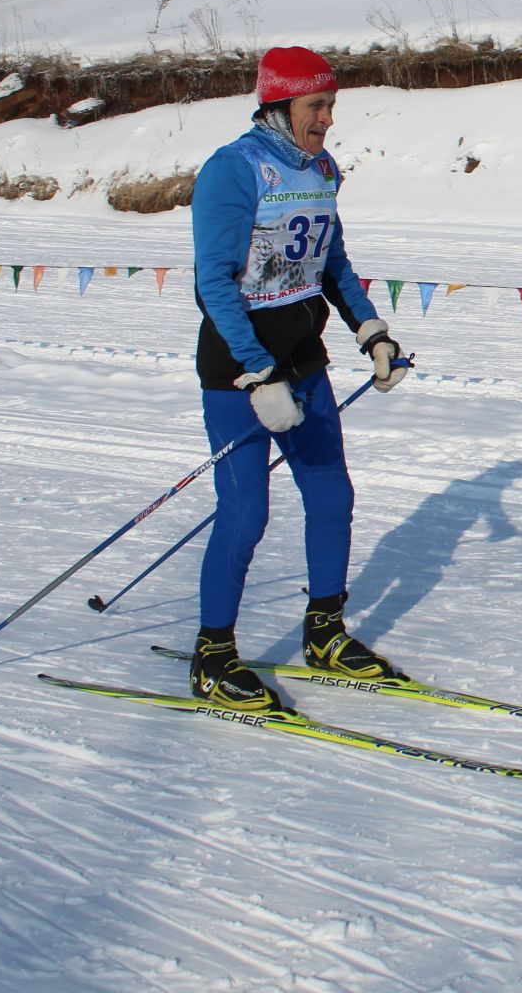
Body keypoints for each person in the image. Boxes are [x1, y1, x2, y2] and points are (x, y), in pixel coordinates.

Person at [188, 45, 410, 712]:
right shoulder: (232, 171)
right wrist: (255, 375)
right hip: (239, 371)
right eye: (318, 106)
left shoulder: (320, 169)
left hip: (304, 364)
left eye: (332, 105)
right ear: (280, 106)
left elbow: (333, 262)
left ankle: (324, 631)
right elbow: (213, 284)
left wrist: (371, 331)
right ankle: (213, 654)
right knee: (247, 512)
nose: (328, 119)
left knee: (333, 497)